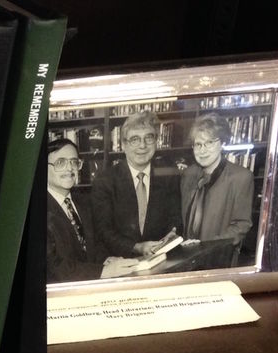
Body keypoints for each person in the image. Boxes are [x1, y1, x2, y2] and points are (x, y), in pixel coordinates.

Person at [91, 111, 182, 258]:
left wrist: (172, 235)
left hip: (161, 259)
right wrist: (137, 247)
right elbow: (104, 231)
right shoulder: (105, 180)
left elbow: (175, 218)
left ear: (156, 141)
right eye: (135, 139)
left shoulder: (168, 175)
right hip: (121, 262)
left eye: (149, 138)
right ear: (123, 145)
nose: (143, 146)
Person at [46, 138, 138, 282]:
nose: (70, 168)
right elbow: (52, 265)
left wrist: (106, 259)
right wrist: (104, 271)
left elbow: (93, 244)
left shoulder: (83, 202)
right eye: (60, 163)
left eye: (74, 162)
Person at [181, 113, 254, 247]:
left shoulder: (241, 177)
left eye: (209, 142)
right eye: (198, 144)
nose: (202, 151)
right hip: (186, 257)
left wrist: (205, 247)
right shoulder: (188, 175)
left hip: (218, 257)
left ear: (222, 143)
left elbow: (241, 226)